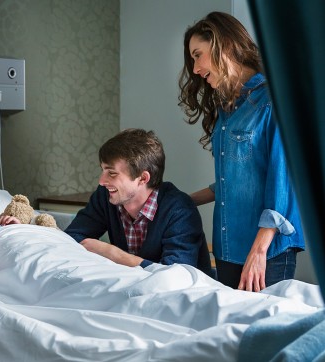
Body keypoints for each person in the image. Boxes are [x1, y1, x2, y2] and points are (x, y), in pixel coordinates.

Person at [178, 11, 305, 291]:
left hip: (266, 252)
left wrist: (259, 251)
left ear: (221, 44)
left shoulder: (273, 101)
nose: (196, 68)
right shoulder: (227, 108)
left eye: (197, 55)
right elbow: (232, 180)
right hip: (226, 247)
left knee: (264, 332)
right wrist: (180, 199)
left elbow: (284, 182)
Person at [64, 128, 213, 276]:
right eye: (102, 170)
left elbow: (176, 276)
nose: (102, 181)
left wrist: (113, 254)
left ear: (143, 178)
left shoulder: (180, 210)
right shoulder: (105, 196)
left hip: (187, 297)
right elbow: (71, 239)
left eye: (112, 173)